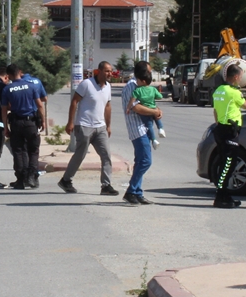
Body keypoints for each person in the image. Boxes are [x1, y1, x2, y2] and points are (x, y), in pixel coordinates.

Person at [58, 61, 118, 196]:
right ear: (99, 71)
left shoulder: (108, 87)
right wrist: (70, 123)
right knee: (80, 155)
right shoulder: (87, 84)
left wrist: (108, 126)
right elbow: (74, 101)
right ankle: (66, 180)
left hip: (100, 127)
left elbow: (107, 106)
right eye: (107, 71)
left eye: (111, 71)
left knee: (106, 155)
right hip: (84, 126)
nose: (110, 74)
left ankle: (106, 185)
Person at [121, 61, 161, 205]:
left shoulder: (142, 86)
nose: (149, 75)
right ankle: (131, 190)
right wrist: (154, 111)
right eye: (148, 72)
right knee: (146, 161)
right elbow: (135, 108)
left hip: (145, 127)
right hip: (137, 128)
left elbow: (148, 102)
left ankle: (137, 192)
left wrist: (156, 111)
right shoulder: (131, 87)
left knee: (140, 161)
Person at [1, 63, 45, 190]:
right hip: (30, 123)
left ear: (8, 76)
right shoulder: (31, 86)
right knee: (33, 150)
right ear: (20, 72)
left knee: (19, 151)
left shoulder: (7, 89)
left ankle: (21, 179)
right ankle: (32, 177)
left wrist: (5, 128)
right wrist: (42, 121)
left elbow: (4, 110)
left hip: (16, 123)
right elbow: (40, 105)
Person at [211, 63, 246, 209]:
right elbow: (245, 105)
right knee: (228, 165)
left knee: (224, 164)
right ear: (235, 76)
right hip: (230, 130)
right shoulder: (234, 92)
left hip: (220, 128)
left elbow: (215, 110)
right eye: (240, 77)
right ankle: (221, 195)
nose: (240, 79)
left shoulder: (219, 90)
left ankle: (224, 194)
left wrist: (219, 123)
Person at [132, 76, 167, 147]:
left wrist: (129, 107)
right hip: (153, 108)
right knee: (157, 118)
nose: (136, 82)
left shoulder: (138, 90)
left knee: (149, 125)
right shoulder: (153, 89)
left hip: (145, 111)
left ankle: (154, 140)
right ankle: (161, 129)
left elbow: (133, 100)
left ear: (143, 81)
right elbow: (160, 96)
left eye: (138, 80)